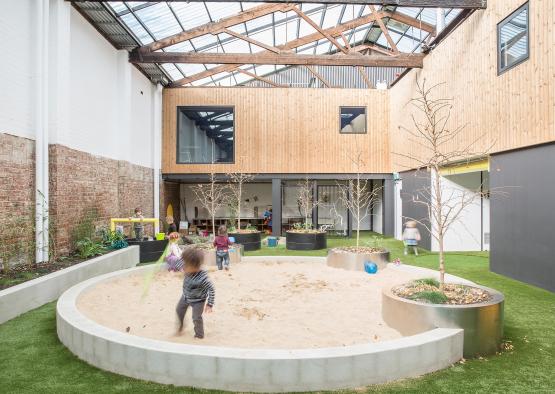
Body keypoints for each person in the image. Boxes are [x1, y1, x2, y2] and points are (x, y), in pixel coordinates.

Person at [176, 247, 215, 339]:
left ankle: (199, 335)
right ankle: (181, 326)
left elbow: (211, 289)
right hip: (185, 296)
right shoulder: (186, 266)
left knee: (196, 317)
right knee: (179, 310)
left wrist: (210, 304)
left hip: (198, 300)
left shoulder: (202, 278)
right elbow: (178, 263)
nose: (183, 267)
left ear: (195, 267)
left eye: (186, 266)